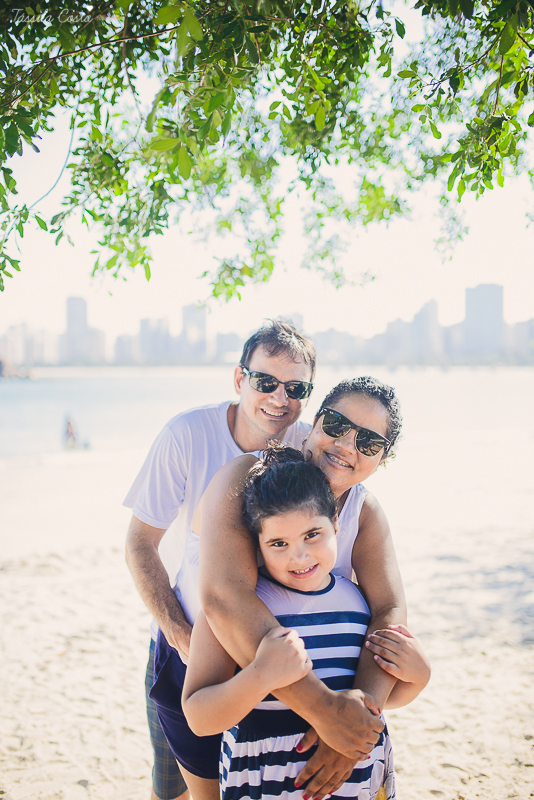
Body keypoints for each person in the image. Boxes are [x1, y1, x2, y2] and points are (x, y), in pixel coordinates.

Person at [150, 377, 409, 800]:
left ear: (384, 457)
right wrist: (326, 711)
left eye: (369, 442)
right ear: (315, 421)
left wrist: (358, 715)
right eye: (337, 424)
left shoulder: (364, 511)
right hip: (204, 668)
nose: (347, 445)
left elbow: (389, 610)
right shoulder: (247, 476)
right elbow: (225, 595)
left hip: (295, 694)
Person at [125, 319, 316, 800]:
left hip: (268, 654)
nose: (279, 398)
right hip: (184, 645)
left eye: (295, 388)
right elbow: (140, 544)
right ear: (238, 379)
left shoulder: (308, 448)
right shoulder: (187, 434)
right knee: (170, 787)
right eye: (265, 381)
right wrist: (178, 632)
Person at [180, 446, 430, 800]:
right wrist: (259, 676)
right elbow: (198, 717)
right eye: (278, 543)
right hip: (264, 782)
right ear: (257, 542)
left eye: (312, 535)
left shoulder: (360, 606)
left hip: (356, 784)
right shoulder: (237, 614)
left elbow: (383, 702)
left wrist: (418, 676)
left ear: (337, 524)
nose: (299, 556)